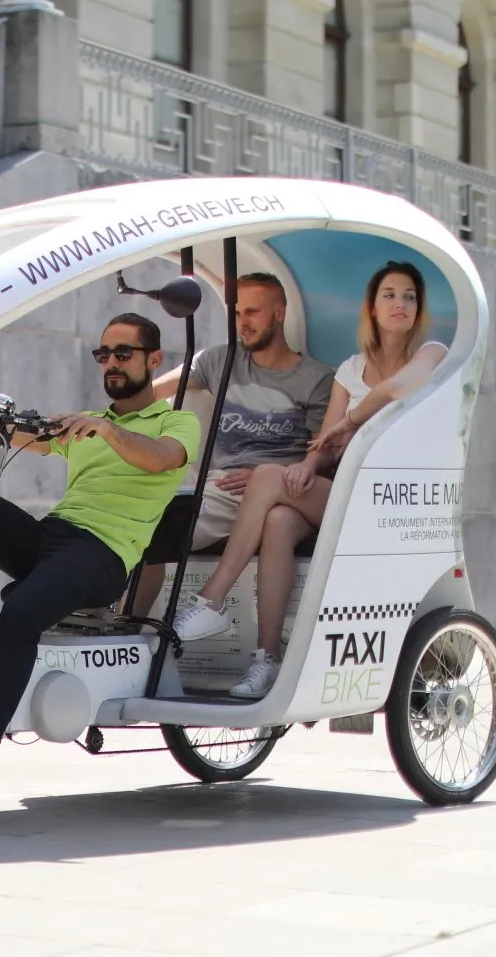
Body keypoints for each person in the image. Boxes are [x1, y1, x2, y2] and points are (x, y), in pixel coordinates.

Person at [0, 312, 200, 803]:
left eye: (124, 353)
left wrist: (105, 431)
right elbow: (19, 433)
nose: (112, 364)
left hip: (102, 557)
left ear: (154, 359)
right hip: (52, 538)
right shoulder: (87, 423)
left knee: (20, 615)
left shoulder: (175, 422)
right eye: (104, 354)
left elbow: (160, 457)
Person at [137, 271, 337, 700]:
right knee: (146, 521)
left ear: (279, 314)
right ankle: (130, 636)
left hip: (284, 488)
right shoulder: (219, 360)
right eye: (237, 312)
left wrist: (270, 470)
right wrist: (102, 415)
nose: (242, 321)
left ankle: (211, 607)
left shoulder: (317, 379)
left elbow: (323, 454)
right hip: (221, 490)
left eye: (252, 312)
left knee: (270, 506)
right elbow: (153, 392)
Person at [307, 261, 448, 456]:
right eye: (389, 295)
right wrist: (308, 465)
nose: (400, 303)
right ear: (372, 308)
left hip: (403, 480)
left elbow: (395, 388)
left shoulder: (434, 352)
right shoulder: (350, 368)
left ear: (417, 311)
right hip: (348, 478)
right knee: (269, 475)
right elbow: (325, 447)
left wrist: (350, 423)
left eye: (409, 297)